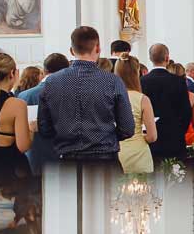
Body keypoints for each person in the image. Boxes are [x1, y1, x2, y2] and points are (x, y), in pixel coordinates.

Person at [36, 26, 135, 160]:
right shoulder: (112, 81)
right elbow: (127, 128)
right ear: (98, 49)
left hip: (67, 157)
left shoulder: (51, 82)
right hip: (105, 155)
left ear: (71, 50)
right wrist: (106, 136)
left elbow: (45, 128)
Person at [141, 44, 194, 161]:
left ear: (150, 58)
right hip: (174, 139)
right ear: (167, 58)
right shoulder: (178, 81)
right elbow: (185, 111)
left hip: (150, 140)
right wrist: (178, 131)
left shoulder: (142, 81)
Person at [114, 55, 158, 174]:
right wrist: (139, 138)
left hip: (116, 154)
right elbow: (152, 136)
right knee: (142, 191)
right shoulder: (142, 99)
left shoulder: (109, 97)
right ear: (136, 74)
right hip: (139, 154)